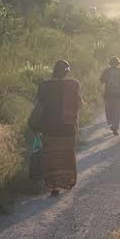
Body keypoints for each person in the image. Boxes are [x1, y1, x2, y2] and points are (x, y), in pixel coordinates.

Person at [34, 60, 82, 196]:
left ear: (53, 71)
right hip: (67, 128)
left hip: (49, 128)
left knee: (51, 157)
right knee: (66, 155)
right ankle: (67, 181)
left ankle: (54, 186)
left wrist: (35, 125)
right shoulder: (73, 85)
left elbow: (37, 106)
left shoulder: (44, 86)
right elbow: (79, 105)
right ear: (66, 73)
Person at [99, 57, 120, 136]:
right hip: (119, 94)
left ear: (110, 63)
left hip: (108, 95)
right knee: (116, 113)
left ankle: (112, 125)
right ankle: (115, 128)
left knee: (108, 112)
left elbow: (101, 80)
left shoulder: (106, 71)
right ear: (118, 63)